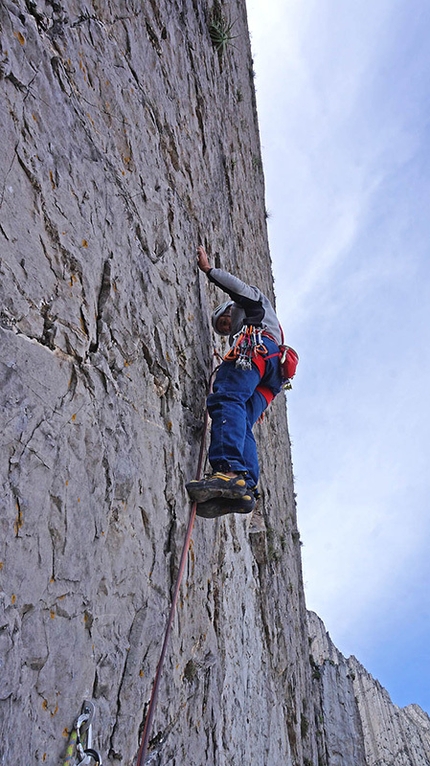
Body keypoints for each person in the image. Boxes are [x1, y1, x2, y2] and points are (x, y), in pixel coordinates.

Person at [186, 245, 284, 518]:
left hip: (256, 350)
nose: (227, 328)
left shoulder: (251, 303)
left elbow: (237, 287)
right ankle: (245, 488)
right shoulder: (272, 327)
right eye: (223, 330)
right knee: (243, 425)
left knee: (227, 398)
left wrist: (209, 270)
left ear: (230, 310)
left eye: (225, 321)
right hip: (270, 376)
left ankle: (228, 471)